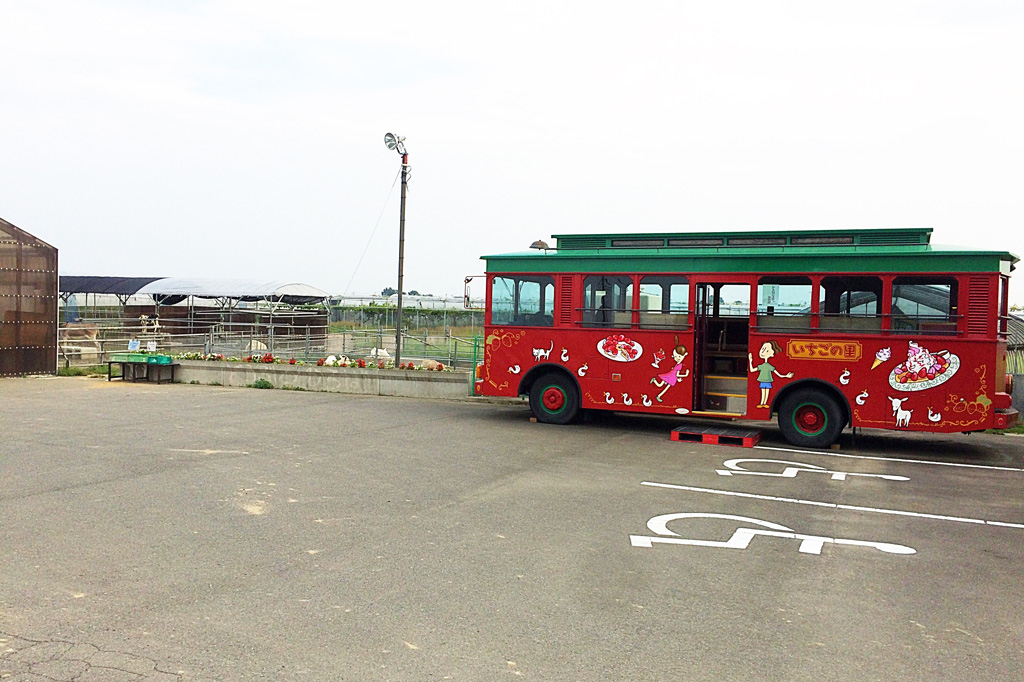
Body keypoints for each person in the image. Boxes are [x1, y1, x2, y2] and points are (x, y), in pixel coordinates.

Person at [748, 340, 794, 408]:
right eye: (763, 349)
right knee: (763, 391)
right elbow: (752, 370)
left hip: (767, 380)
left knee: (766, 392)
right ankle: (762, 403)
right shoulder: (761, 365)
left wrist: (785, 376)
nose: (763, 352)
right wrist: (750, 361)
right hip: (763, 380)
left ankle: (764, 403)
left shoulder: (770, 366)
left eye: (767, 350)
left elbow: (778, 374)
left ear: (772, 353)